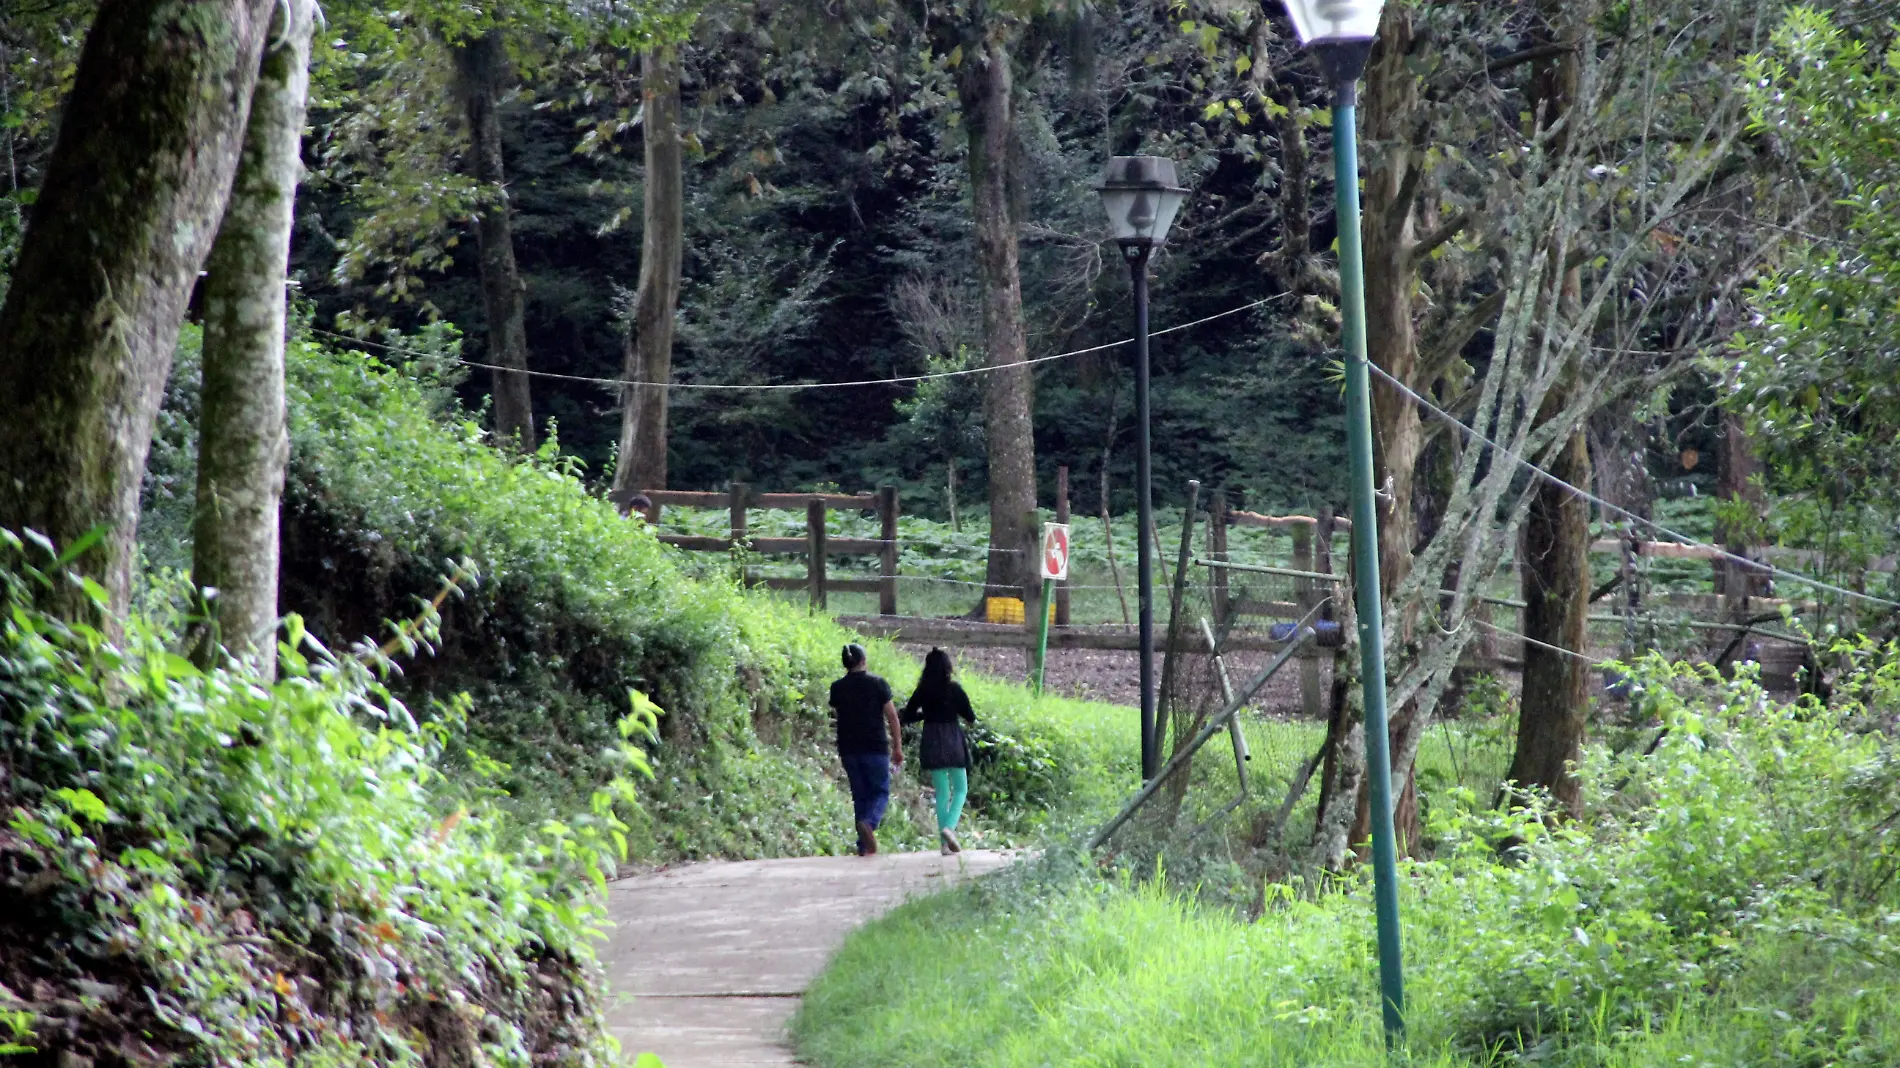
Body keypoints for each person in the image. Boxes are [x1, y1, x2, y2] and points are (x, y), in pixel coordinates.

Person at [828, 643, 903, 856]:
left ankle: (864, 846)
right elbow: (892, 717)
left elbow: (838, 712)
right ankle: (869, 824)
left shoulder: (837, 687)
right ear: (863, 661)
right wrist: (897, 747)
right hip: (875, 747)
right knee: (880, 791)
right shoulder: (878, 684)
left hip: (848, 748)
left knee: (859, 795)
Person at [901, 647, 976, 855]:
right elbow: (970, 717)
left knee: (942, 792)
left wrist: (924, 716)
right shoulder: (955, 689)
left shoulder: (922, 691)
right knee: (960, 789)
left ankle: (944, 845)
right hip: (952, 738)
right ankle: (949, 828)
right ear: (947, 668)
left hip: (931, 739)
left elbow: (907, 715)